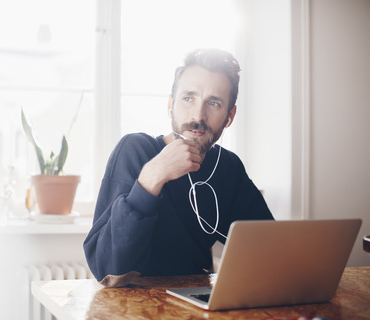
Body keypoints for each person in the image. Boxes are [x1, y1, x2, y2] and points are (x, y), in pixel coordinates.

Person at [84, 48, 274, 281]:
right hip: (133, 308)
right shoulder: (135, 150)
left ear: (229, 117)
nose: (198, 116)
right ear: (170, 104)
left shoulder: (227, 167)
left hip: (196, 305)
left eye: (213, 103)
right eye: (188, 98)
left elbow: (268, 245)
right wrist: (153, 176)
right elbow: (107, 268)